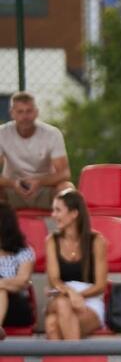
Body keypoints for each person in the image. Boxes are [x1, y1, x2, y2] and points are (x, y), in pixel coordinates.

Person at [44, 190, 107, 339]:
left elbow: (100, 285)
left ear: (73, 214)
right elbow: (54, 280)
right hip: (61, 294)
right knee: (62, 303)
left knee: (52, 324)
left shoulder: (97, 241)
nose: (53, 215)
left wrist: (78, 296)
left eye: (58, 210)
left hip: (90, 301)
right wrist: (70, 294)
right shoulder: (52, 240)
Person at [0, 92, 73, 211]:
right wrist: (13, 183)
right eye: (20, 112)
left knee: (67, 189)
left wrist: (39, 182)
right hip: (12, 191)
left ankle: (62, 229)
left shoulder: (52, 134)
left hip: (43, 189)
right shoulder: (2, 134)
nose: (25, 117)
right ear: (12, 113)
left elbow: (65, 173)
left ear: (36, 112)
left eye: (29, 111)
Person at [0, 202, 34, 338]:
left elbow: (22, 281)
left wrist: (2, 284)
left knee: (1, 290)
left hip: (16, 307)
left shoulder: (24, 252)